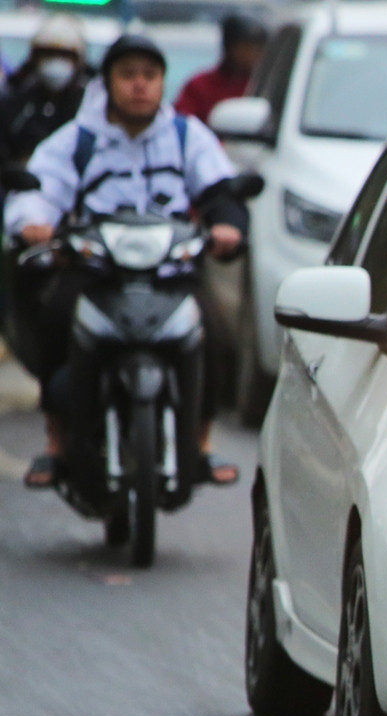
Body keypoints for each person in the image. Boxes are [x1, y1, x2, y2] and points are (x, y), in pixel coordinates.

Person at [8, 35, 248, 489]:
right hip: (96, 272)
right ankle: (57, 443)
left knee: (214, 334)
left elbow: (221, 192)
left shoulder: (186, 135)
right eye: (128, 75)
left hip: (171, 272)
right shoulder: (78, 139)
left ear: (162, 83)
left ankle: (199, 444)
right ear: (108, 82)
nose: (139, 86)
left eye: (149, 76)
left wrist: (228, 227)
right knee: (56, 319)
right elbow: (39, 190)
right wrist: (33, 222)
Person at [0, 15, 92, 167]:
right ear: (34, 58)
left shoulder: (91, 104)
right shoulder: (13, 101)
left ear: (78, 61)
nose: (56, 62)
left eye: (64, 55)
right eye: (48, 54)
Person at [173, 13, 266, 124]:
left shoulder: (266, 86)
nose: (253, 54)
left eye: (259, 49)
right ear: (229, 46)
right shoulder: (200, 85)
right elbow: (182, 125)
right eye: (246, 47)